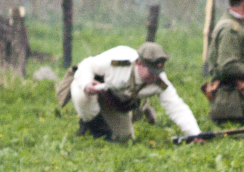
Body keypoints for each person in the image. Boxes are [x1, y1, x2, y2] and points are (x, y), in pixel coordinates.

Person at [64, 42, 202, 142]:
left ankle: (98, 129)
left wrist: (194, 133)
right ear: (139, 63)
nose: (155, 76)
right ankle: (91, 126)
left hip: (115, 103)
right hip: (95, 91)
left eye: (158, 71)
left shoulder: (160, 81)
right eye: (151, 72)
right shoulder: (119, 61)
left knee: (124, 139)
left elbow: (176, 106)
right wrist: (86, 83)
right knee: (81, 95)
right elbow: (87, 64)